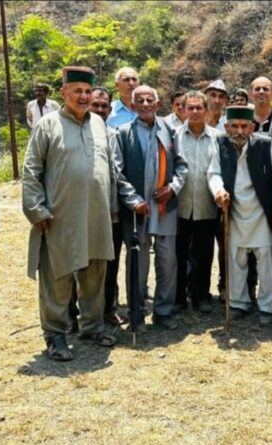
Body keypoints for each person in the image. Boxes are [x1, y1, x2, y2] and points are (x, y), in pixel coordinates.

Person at [23, 66, 118, 361]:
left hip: (97, 213)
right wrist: (37, 210)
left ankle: (92, 326)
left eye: (88, 91)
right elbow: (31, 171)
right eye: (77, 90)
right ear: (63, 92)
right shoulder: (48, 125)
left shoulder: (100, 125)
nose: (84, 96)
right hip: (59, 215)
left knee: (94, 273)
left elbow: (110, 171)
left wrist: (113, 208)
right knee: (58, 276)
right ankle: (55, 335)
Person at [113, 85, 188, 331]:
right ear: (132, 106)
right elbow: (118, 172)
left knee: (168, 260)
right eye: (140, 101)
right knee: (138, 261)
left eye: (150, 100)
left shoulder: (171, 130)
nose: (145, 104)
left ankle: (164, 311)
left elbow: (181, 166)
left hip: (165, 206)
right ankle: (137, 312)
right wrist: (133, 201)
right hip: (138, 210)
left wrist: (173, 189)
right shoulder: (123, 133)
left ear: (158, 104)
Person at [209, 106, 272, 325]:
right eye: (234, 126)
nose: (239, 131)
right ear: (226, 126)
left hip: (260, 213)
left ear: (252, 127)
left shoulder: (265, 145)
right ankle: (238, 302)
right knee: (236, 260)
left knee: (266, 261)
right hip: (235, 211)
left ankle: (267, 307)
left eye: (244, 126)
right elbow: (214, 173)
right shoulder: (219, 143)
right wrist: (218, 190)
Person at [66, 86, 123, 332]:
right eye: (95, 105)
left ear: (110, 110)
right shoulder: (68, 129)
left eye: (104, 106)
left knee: (107, 263)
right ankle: (70, 315)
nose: (99, 110)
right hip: (73, 209)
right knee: (72, 261)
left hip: (107, 210)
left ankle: (106, 309)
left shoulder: (112, 134)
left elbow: (114, 173)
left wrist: (114, 208)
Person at [174, 91, 220, 314]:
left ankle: (201, 295)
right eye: (189, 108)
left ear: (206, 110)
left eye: (198, 108)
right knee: (178, 254)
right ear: (182, 110)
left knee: (204, 254)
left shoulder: (217, 138)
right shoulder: (173, 136)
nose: (194, 112)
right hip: (179, 207)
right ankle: (179, 296)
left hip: (206, 206)